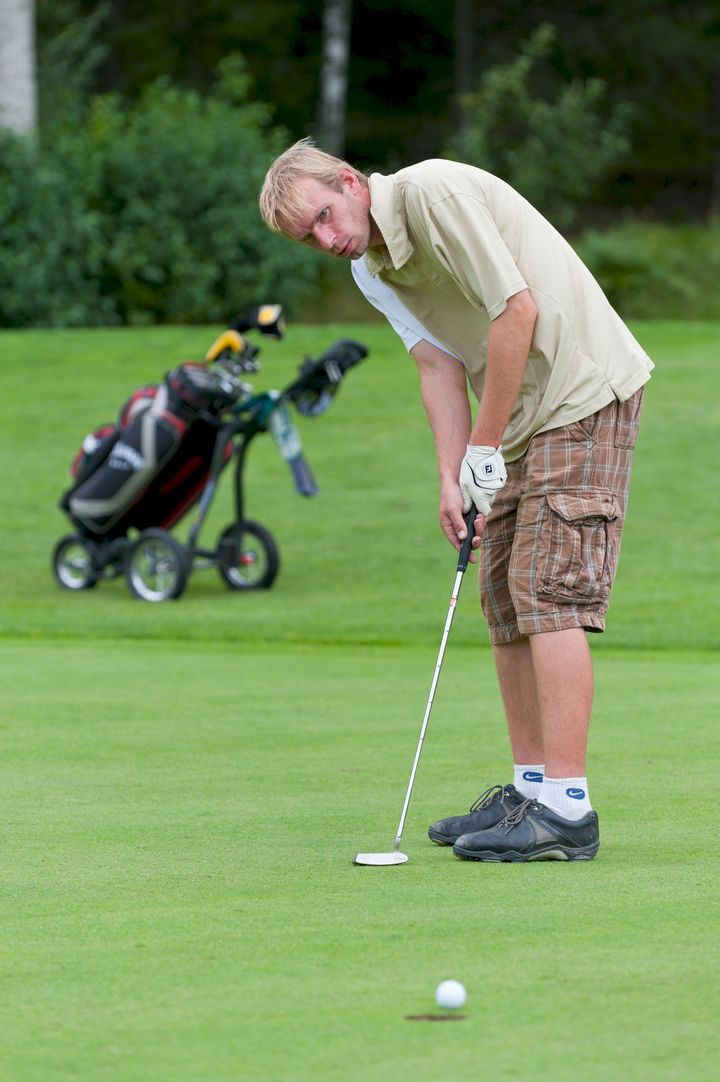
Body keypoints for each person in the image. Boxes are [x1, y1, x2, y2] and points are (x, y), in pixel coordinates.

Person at [258, 138, 653, 862]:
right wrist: (452, 474)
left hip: (582, 389)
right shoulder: (373, 271)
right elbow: (437, 364)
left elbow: (517, 312)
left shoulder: (431, 194)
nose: (325, 239)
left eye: (322, 215)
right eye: (306, 237)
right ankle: (529, 789)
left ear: (349, 181)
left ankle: (567, 809)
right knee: (502, 594)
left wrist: (483, 446)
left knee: (548, 590)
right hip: (519, 416)